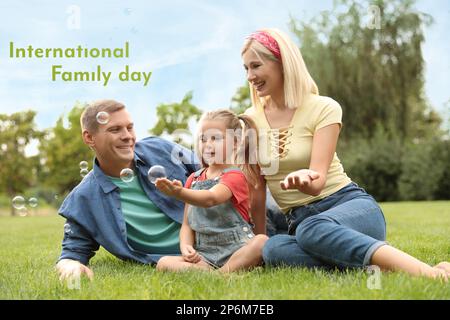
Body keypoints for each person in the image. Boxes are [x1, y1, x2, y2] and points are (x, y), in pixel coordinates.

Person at [241, 28, 450, 280]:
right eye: (246, 69)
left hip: (350, 208)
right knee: (273, 249)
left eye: (256, 66)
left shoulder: (324, 108)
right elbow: (256, 188)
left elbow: (317, 181)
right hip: (299, 223)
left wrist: (306, 179)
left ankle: (430, 274)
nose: (250, 76)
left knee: (311, 229)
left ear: (282, 62)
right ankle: (377, 261)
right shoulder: (249, 120)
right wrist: (257, 241)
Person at [56, 99, 199, 282]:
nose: (127, 136)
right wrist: (71, 266)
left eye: (129, 128)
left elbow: (213, 172)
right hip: (173, 261)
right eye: (115, 130)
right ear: (89, 138)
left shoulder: (160, 149)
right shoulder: (84, 198)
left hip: (214, 239)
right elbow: (72, 252)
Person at [155, 110, 268, 273]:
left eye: (215, 138)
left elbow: (211, 198)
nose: (207, 144)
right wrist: (186, 246)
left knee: (261, 242)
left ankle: (222, 273)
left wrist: (179, 193)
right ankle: (219, 273)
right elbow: (187, 224)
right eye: (202, 139)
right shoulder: (193, 179)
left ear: (236, 143)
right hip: (205, 255)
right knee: (163, 263)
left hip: (237, 250)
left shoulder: (235, 176)